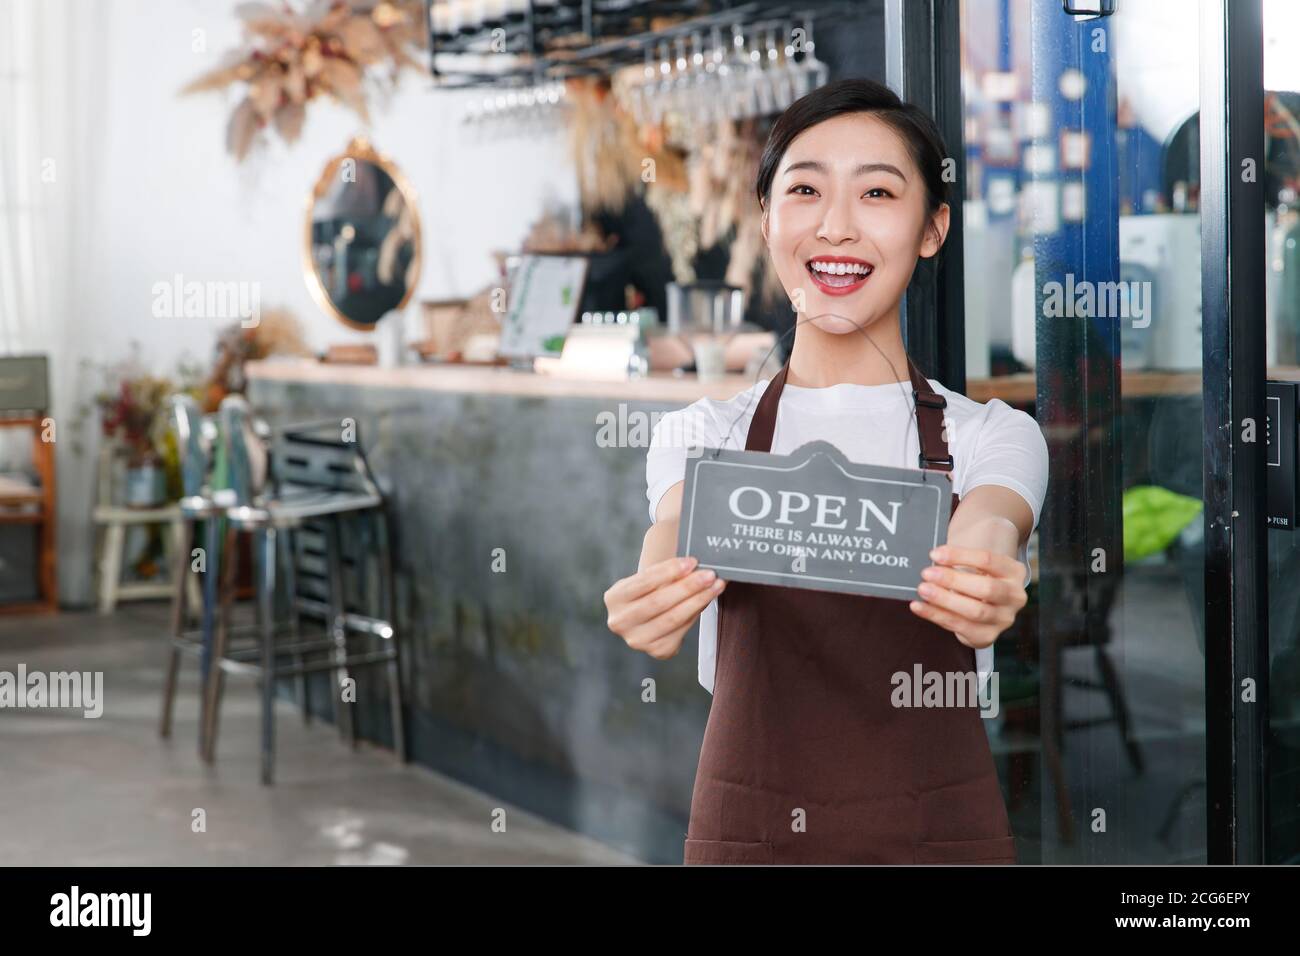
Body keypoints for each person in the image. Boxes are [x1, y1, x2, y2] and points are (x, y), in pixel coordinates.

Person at [603, 78, 1049, 864]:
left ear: (932, 228)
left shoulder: (992, 437)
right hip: (755, 833)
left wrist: (985, 576)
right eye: (805, 189)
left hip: (935, 832)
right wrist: (654, 595)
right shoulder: (704, 433)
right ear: (768, 218)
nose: (837, 226)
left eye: (878, 191)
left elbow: (990, 525)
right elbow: (671, 531)